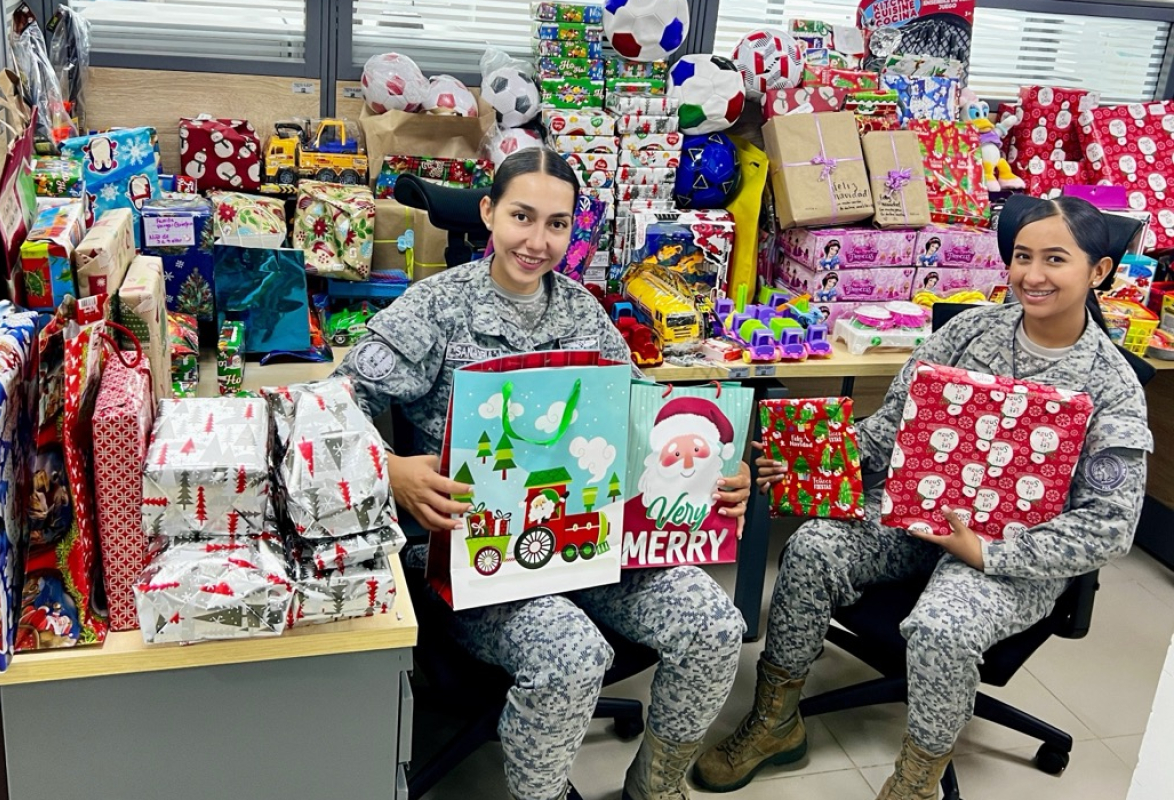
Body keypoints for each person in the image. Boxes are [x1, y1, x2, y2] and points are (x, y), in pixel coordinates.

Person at [692, 195, 1153, 800]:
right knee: (811, 548)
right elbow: (887, 433)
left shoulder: (1112, 386)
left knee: (941, 625)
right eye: (1021, 257)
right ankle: (775, 721)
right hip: (918, 515)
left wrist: (987, 554)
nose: (1032, 275)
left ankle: (915, 782)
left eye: (1055, 260)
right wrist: (797, 463)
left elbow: (1108, 527)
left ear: (1098, 271)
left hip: (1011, 552)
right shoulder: (967, 332)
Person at [335, 147, 750, 800]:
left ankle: (657, 786)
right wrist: (389, 470)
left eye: (556, 224)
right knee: (572, 655)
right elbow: (330, 408)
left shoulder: (583, 312)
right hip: (474, 554)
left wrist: (714, 468)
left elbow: (645, 419)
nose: (537, 241)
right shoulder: (436, 307)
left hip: (588, 537)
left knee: (716, 628)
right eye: (522, 217)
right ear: (488, 214)